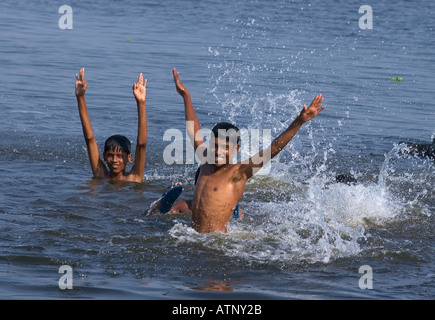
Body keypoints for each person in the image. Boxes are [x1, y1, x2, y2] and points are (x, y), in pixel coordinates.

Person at [170, 67, 326, 233]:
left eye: (225, 148)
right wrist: (186, 95)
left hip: (215, 244)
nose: (218, 151)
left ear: (236, 149)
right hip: (192, 237)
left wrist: (299, 121)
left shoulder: (238, 173)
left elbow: (273, 149)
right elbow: (192, 130)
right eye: (215, 145)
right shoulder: (206, 161)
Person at [75, 68, 147, 182]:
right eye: (110, 155)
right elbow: (89, 139)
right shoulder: (100, 174)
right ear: (104, 156)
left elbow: (141, 144)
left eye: (119, 156)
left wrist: (141, 103)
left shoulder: (134, 177)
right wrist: (80, 97)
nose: (114, 160)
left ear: (129, 158)